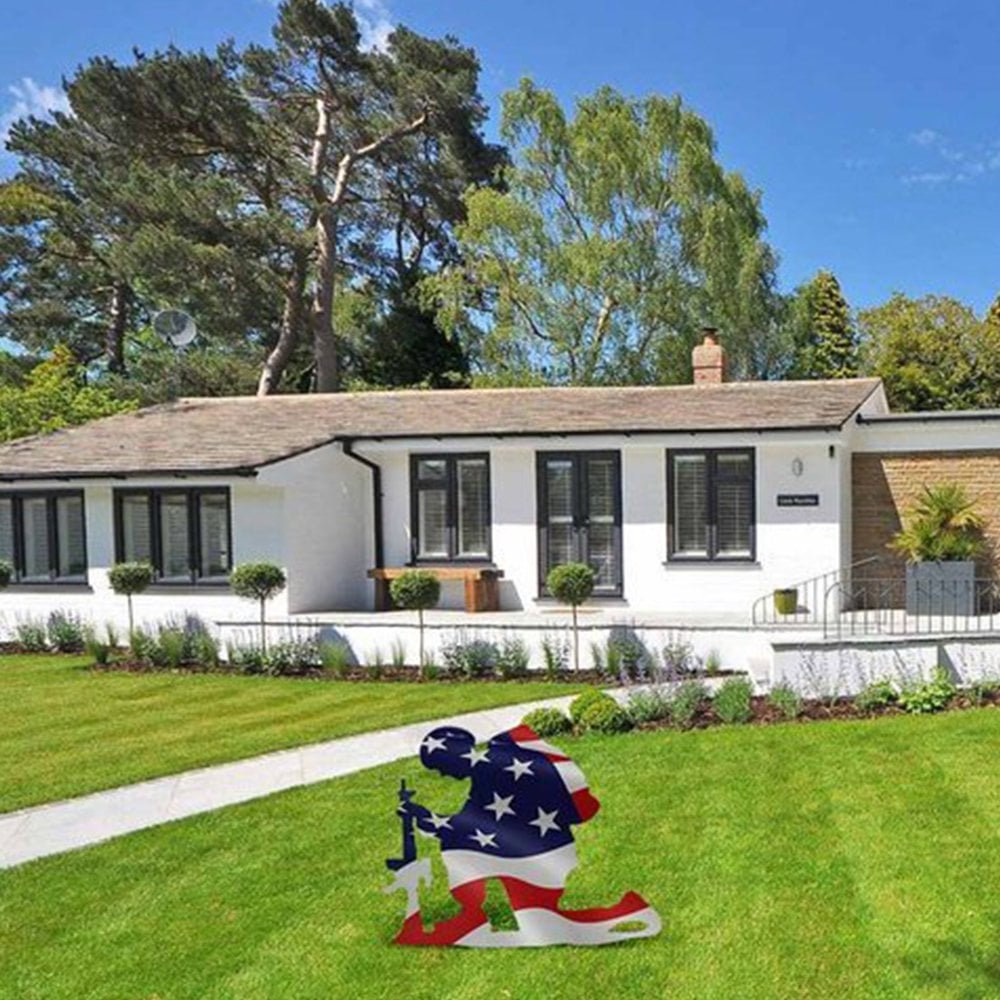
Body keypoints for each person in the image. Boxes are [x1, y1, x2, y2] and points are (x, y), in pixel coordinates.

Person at [393, 723, 656, 947]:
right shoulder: (498, 761)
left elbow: (470, 825)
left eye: (440, 766)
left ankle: (626, 915)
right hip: (544, 848)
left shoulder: (490, 770)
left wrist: (423, 817)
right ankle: (473, 914)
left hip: (539, 854)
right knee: (461, 844)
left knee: (545, 924)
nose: (442, 774)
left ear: (451, 756)